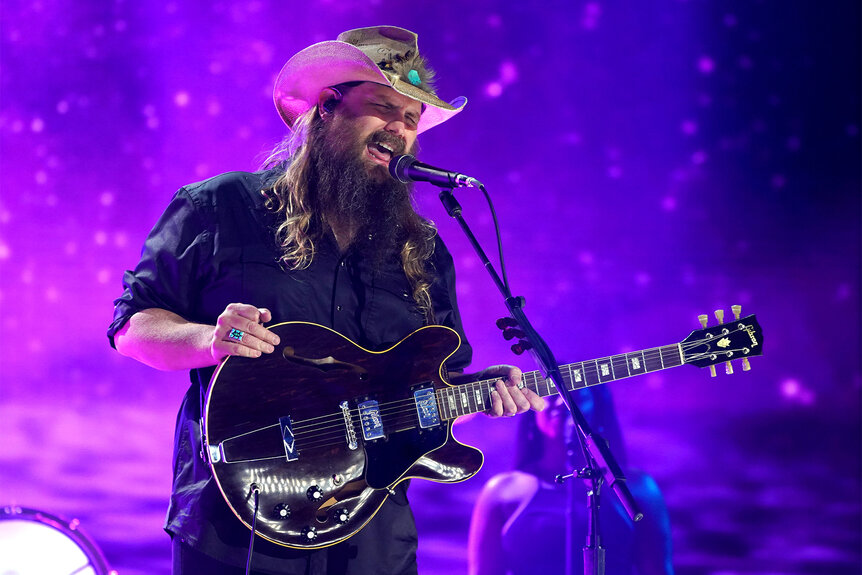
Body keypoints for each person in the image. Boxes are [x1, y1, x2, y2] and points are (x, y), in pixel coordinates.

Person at [107, 26, 545, 575]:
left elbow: (437, 385)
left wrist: (483, 390)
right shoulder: (220, 206)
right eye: (383, 107)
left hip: (373, 540)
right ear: (325, 110)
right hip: (238, 526)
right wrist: (207, 339)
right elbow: (131, 326)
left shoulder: (423, 248)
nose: (399, 130)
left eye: (411, 120)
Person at [468, 387, 674, 575]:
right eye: (550, 395)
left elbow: (658, 570)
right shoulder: (501, 491)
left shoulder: (638, 488)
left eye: (574, 397)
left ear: (597, 409)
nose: (561, 402)